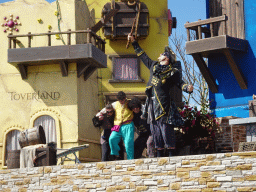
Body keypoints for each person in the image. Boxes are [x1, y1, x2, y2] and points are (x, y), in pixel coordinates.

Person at [128, 34, 194, 157]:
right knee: (154, 129)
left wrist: (187, 88)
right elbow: (143, 56)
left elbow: (180, 83)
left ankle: (170, 153)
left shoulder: (173, 72)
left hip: (164, 104)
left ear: (167, 58)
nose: (159, 55)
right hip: (151, 103)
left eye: (162, 54)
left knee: (165, 128)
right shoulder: (153, 66)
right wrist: (133, 42)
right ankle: (159, 154)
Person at [97, 91, 135, 160]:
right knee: (112, 139)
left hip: (128, 125)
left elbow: (138, 106)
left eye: (122, 100)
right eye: (120, 100)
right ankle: (116, 152)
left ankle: (130, 159)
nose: (121, 101)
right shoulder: (115, 104)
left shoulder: (130, 102)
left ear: (125, 98)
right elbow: (105, 109)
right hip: (117, 126)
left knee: (128, 143)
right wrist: (99, 114)